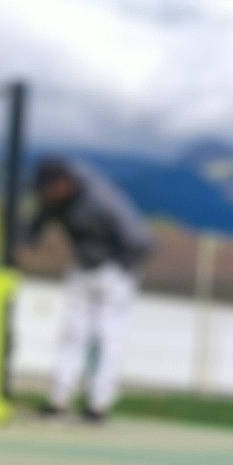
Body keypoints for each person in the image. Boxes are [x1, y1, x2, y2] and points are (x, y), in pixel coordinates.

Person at [26, 155, 157, 422]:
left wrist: (118, 270)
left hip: (114, 272)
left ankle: (99, 404)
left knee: (109, 336)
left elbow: (141, 240)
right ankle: (59, 399)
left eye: (48, 190)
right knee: (72, 333)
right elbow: (34, 228)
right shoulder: (53, 199)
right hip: (82, 269)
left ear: (63, 183)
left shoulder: (101, 198)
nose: (46, 196)